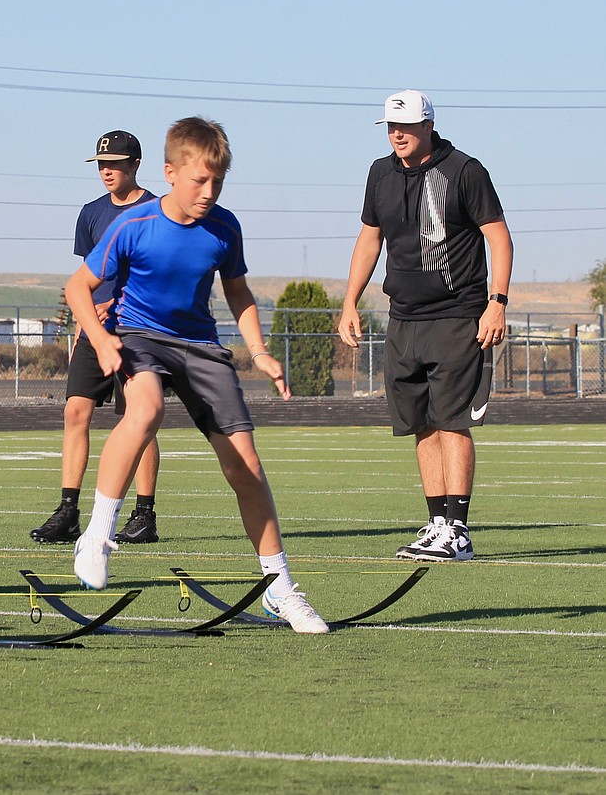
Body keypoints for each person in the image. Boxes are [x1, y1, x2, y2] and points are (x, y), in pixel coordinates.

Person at [64, 116, 329, 634]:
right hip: (139, 336)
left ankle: (279, 587)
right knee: (146, 410)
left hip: (201, 347)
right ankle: (97, 535)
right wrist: (101, 341)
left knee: (246, 466)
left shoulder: (224, 227)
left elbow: (237, 293)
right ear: (169, 173)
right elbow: (79, 287)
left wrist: (259, 351)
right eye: (198, 181)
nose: (208, 192)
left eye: (218, 182)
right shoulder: (132, 224)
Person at [338, 90, 513, 562]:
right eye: (391, 127)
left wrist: (496, 303)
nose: (397, 134)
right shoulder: (380, 173)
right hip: (404, 319)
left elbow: (498, 236)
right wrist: (350, 301)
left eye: (407, 126)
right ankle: (437, 524)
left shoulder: (464, 170)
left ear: (428, 126)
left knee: (452, 421)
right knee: (420, 423)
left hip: (458, 316)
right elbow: (369, 238)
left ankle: (458, 530)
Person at [31, 131, 163, 546]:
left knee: (138, 421)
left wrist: (120, 304)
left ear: (136, 165)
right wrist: (79, 329)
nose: (107, 170)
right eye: (102, 164)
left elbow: (160, 277)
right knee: (75, 413)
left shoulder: (158, 211)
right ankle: (68, 511)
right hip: (93, 332)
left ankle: (144, 515)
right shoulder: (90, 214)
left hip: (140, 332)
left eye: (116, 163)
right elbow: (85, 281)